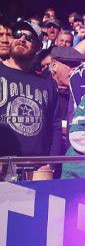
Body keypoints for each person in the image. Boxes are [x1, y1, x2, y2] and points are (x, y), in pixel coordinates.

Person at [0, 20, 58, 159]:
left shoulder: (47, 85)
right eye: (18, 34)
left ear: (38, 46)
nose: (22, 39)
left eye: (29, 38)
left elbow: (55, 127)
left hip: (35, 169)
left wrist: (51, 163)